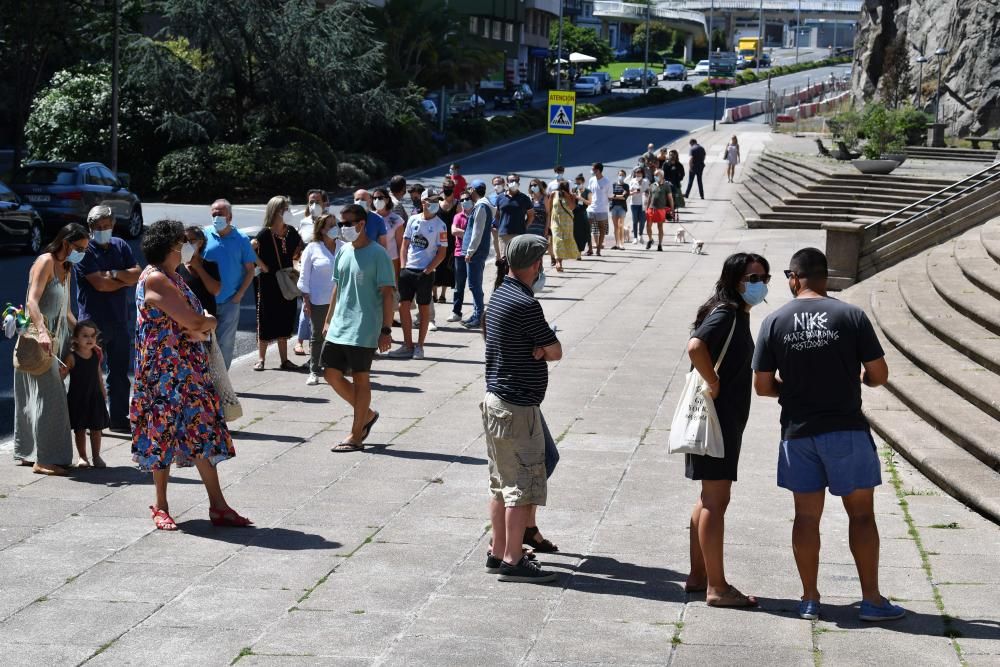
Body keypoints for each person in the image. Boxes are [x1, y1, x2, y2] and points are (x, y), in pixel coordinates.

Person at [752, 247, 904, 623]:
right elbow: (879, 375)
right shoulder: (851, 315)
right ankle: (871, 600)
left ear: (795, 277)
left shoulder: (774, 321)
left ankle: (809, 599)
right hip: (845, 430)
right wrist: (863, 379)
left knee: (805, 518)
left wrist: (788, 390)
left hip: (799, 432)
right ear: (825, 277)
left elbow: (761, 385)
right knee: (862, 516)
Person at [131, 219, 250, 531]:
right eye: (181, 242)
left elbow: (194, 322)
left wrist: (201, 323)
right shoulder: (156, 279)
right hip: (165, 376)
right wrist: (207, 322)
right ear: (170, 248)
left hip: (186, 373)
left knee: (201, 434)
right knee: (163, 436)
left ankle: (219, 506)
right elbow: (193, 321)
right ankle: (161, 505)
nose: (187, 247)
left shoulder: (174, 276)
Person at [685, 253, 771, 609]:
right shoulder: (726, 312)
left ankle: (699, 576)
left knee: (708, 499)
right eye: (753, 278)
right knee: (715, 502)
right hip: (717, 421)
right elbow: (695, 346)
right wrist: (713, 380)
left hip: (721, 421)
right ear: (735, 280)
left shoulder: (731, 311)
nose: (760, 284)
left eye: (765, 277)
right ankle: (717, 587)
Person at [482, 234, 563, 583]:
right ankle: (514, 560)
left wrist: (538, 348)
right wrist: (543, 349)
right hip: (517, 405)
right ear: (535, 265)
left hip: (498, 400)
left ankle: (498, 550)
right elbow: (556, 349)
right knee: (522, 484)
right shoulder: (526, 305)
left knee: (501, 483)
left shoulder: (500, 295)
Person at [13, 224, 88, 475]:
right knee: (49, 398)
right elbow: (31, 300)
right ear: (65, 242)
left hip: (60, 338)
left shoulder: (67, 266)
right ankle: (44, 459)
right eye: (79, 248)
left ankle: (29, 452)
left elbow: (66, 311)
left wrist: (83, 335)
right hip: (40, 339)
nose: (81, 253)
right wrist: (43, 331)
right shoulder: (45, 261)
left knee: (42, 397)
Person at [321, 204, 395, 451]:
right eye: (341, 224)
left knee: (361, 379)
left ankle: (355, 435)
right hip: (339, 325)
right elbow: (337, 287)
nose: (343, 228)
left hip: (364, 327)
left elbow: (387, 294)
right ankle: (368, 414)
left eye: (348, 224)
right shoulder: (343, 252)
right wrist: (328, 319)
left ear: (362, 225)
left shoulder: (378, 254)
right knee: (330, 374)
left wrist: (386, 330)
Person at [75, 204, 141, 433]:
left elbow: (137, 275)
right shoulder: (85, 250)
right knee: (89, 374)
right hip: (92, 324)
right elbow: (99, 285)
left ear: (113, 225)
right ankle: (87, 420)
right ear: (91, 228)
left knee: (120, 374)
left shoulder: (120, 245)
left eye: (106, 225)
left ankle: (118, 418)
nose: (103, 229)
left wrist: (113, 274)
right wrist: (123, 278)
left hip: (119, 320)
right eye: (98, 227)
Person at [389, 188, 448, 360]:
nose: (435, 203)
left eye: (437, 200)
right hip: (408, 271)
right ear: (423, 202)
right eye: (432, 200)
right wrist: (403, 267)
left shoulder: (440, 225)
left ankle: (419, 347)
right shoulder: (413, 220)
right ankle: (407, 344)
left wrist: (428, 270)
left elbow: (442, 253)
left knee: (423, 310)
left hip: (425, 273)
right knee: (403, 306)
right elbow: (404, 245)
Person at [203, 199, 256, 369]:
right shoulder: (204, 235)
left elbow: (250, 270)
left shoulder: (241, 239)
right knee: (203, 341)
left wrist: (239, 294)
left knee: (225, 343)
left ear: (230, 217)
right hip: (205, 300)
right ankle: (204, 381)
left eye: (221, 214)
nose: (217, 217)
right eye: (214, 214)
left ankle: (222, 381)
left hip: (229, 300)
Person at [252, 196, 304, 371]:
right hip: (268, 282)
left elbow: (299, 251)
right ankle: (261, 359)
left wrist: (296, 265)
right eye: (285, 209)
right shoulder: (264, 234)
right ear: (276, 211)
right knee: (266, 317)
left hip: (287, 279)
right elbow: (249, 252)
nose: (288, 212)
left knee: (286, 316)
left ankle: (284, 360)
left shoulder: (291, 232)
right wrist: (263, 266)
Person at [298, 213, 339, 386]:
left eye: (335, 224)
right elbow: (304, 277)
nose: (334, 228)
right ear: (321, 229)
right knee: (317, 336)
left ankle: (338, 368)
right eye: (330, 225)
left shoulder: (344, 247)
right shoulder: (312, 248)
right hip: (319, 300)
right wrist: (306, 300)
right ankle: (314, 370)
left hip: (341, 299)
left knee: (340, 336)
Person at [63, 320, 111, 468]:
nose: (90, 339)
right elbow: (63, 374)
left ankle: (96, 456)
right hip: (78, 398)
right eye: (85, 336)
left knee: (97, 429)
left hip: (94, 396)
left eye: (92, 336)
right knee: (80, 429)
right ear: (75, 339)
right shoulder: (72, 357)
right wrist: (61, 372)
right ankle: (82, 457)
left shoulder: (96, 354)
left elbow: (98, 373)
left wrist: (103, 391)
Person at [293, 189, 329, 356]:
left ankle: (316, 341)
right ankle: (300, 341)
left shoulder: (330, 222)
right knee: (306, 306)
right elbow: (299, 245)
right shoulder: (304, 222)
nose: (314, 205)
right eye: (311, 202)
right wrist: (296, 263)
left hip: (324, 270)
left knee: (321, 307)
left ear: (325, 203)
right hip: (307, 268)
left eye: (317, 202)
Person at [460, 180, 493, 329]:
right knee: (474, 285)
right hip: (475, 251)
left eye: (469, 190)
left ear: (473, 190)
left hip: (476, 252)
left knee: (474, 285)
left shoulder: (481, 206)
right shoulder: (482, 205)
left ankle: (479, 316)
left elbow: (477, 232)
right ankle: (476, 314)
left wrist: (470, 251)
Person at [177, 226, 221, 317]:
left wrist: (198, 267)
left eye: (191, 241)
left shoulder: (211, 265)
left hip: (206, 318)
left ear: (200, 243)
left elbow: (215, 290)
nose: (187, 244)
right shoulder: (177, 267)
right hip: (185, 318)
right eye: (184, 241)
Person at [432, 177, 458, 310]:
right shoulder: (437, 203)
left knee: (447, 266)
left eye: (449, 189)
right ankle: (434, 294)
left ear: (453, 189)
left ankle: (442, 294)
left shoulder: (457, 204)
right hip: (437, 239)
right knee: (435, 265)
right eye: (445, 189)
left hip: (451, 240)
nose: (447, 191)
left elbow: (460, 220)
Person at [447, 192, 472, 323]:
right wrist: (469, 234)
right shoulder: (458, 216)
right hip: (459, 254)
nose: (465, 202)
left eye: (467, 199)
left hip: (474, 254)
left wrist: (464, 234)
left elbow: (478, 233)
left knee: (474, 285)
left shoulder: (476, 215)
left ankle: (477, 313)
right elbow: (453, 231)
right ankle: (456, 312)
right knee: (459, 285)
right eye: (462, 200)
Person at [550, 181, 577, 273]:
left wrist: (568, 196)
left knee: (564, 241)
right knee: (557, 240)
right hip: (555, 221)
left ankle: (560, 261)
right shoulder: (553, 194)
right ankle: (558, 262)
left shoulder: (571, 195)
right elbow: (549, 209)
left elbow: (572, 207)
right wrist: (548, 223)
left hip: (567, 222)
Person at [587, 162, 612, 256]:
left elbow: (610, 195)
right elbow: (589, 193)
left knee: (602, 230)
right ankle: (590, 249)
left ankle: (598, 249)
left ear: (598, 170)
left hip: (602, 209)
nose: (592, 171)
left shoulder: (607, 181)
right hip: (591, 209)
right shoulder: (591, 180)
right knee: (588, 230)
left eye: (593, 169)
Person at [646, 169, 674, 252]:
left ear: (662, 176)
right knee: (648, 226)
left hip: (660, 209)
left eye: (657, 175)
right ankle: (650, 239)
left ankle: (660, 244)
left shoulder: (666, 186)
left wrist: (672, 209)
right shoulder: (652, 185)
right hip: (651, 208)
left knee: (660, 227)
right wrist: (647, 208)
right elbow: (649, 197)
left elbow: (670, 198)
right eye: (654, 175)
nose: (655, 176)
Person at [628, 166, 649, 246]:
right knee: (635, 220)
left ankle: (640, 235)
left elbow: (648, 190)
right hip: (634, 203)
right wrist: (634, 192)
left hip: (643, 203)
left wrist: (646, 192)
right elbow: (629, 192)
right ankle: (635, 237)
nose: (638, 175)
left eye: (639, 173)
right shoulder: (632, 181)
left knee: (643, 220)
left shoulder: (645, 181)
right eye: (637, 174)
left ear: (642, 174)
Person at [571, 174, 591, 257]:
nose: (577, 185)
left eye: (579, 183)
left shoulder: (587, 191)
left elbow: (589, 202)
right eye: (576, 183)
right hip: (574, 214)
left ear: (583, 182)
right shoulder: (573, 190)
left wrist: (580, 198)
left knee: (584, 233)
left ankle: (583, 250)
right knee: (574, 233)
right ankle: (576, 252)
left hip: (582, 213)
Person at [609, 169, 629, 249]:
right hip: (613, 207)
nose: (621, 176)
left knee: (621, 225)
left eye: (623, 175)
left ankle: (621, 243)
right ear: (617, 175)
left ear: (625, 176)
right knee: (615, 226)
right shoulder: (613, 185)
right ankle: (616, 243)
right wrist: (620, 196)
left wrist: (615, 196)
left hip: (622, 207)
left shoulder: (626, 186)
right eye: (620, 175)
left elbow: (625, 198)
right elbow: (610, 196)